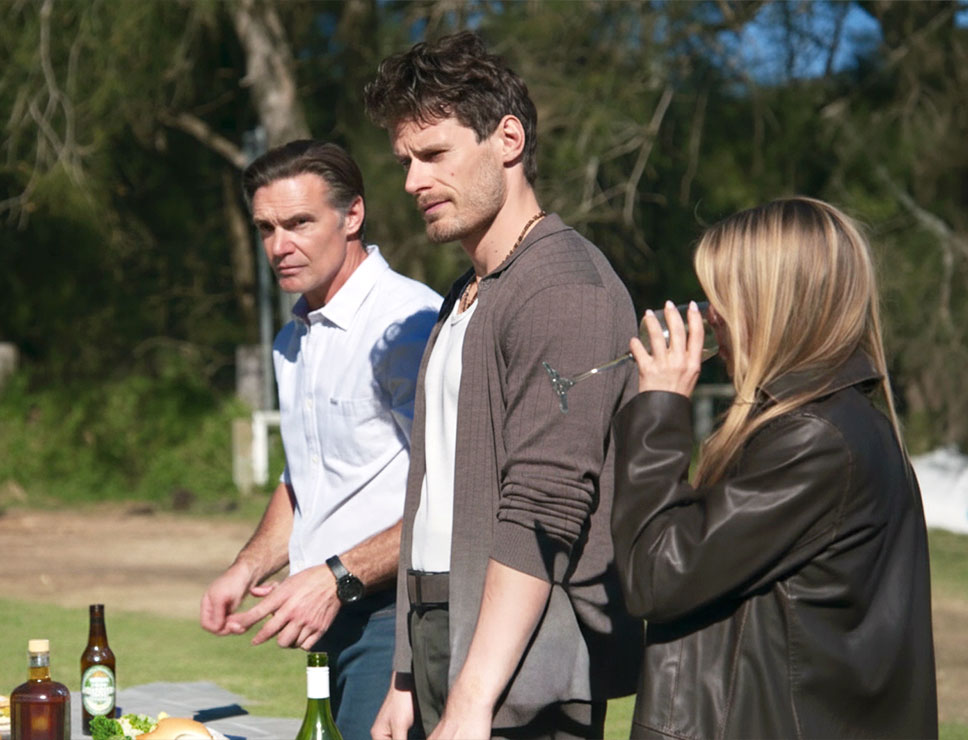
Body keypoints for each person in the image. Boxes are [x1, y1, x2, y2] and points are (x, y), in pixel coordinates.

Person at [363, 31, 642, 740]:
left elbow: (546, 504)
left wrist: (473, 697)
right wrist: (406, 675)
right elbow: (433, 496)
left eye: (434, 154)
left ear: (508, 139)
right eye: (405, 161)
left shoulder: (565, 287)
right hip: (443, 631)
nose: (412, 182)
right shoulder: (468, 292)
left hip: (525, 659)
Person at [611, 197, 938, 738]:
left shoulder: (815, 440)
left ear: (772, 306)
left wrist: (660, 409)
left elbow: (657, 575)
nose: (710, 316)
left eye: (723, 298)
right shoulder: (831, 425)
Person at [199, 140, 440, 740]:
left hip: (398, 614)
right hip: (328, 612)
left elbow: (451, 491)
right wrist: (247, 566)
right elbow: (306, 477)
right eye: (266, 228)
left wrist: (337, 576)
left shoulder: (407, 323)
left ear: (352, 215)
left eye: (300, 222)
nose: (279, 246)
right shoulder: (292, 339)